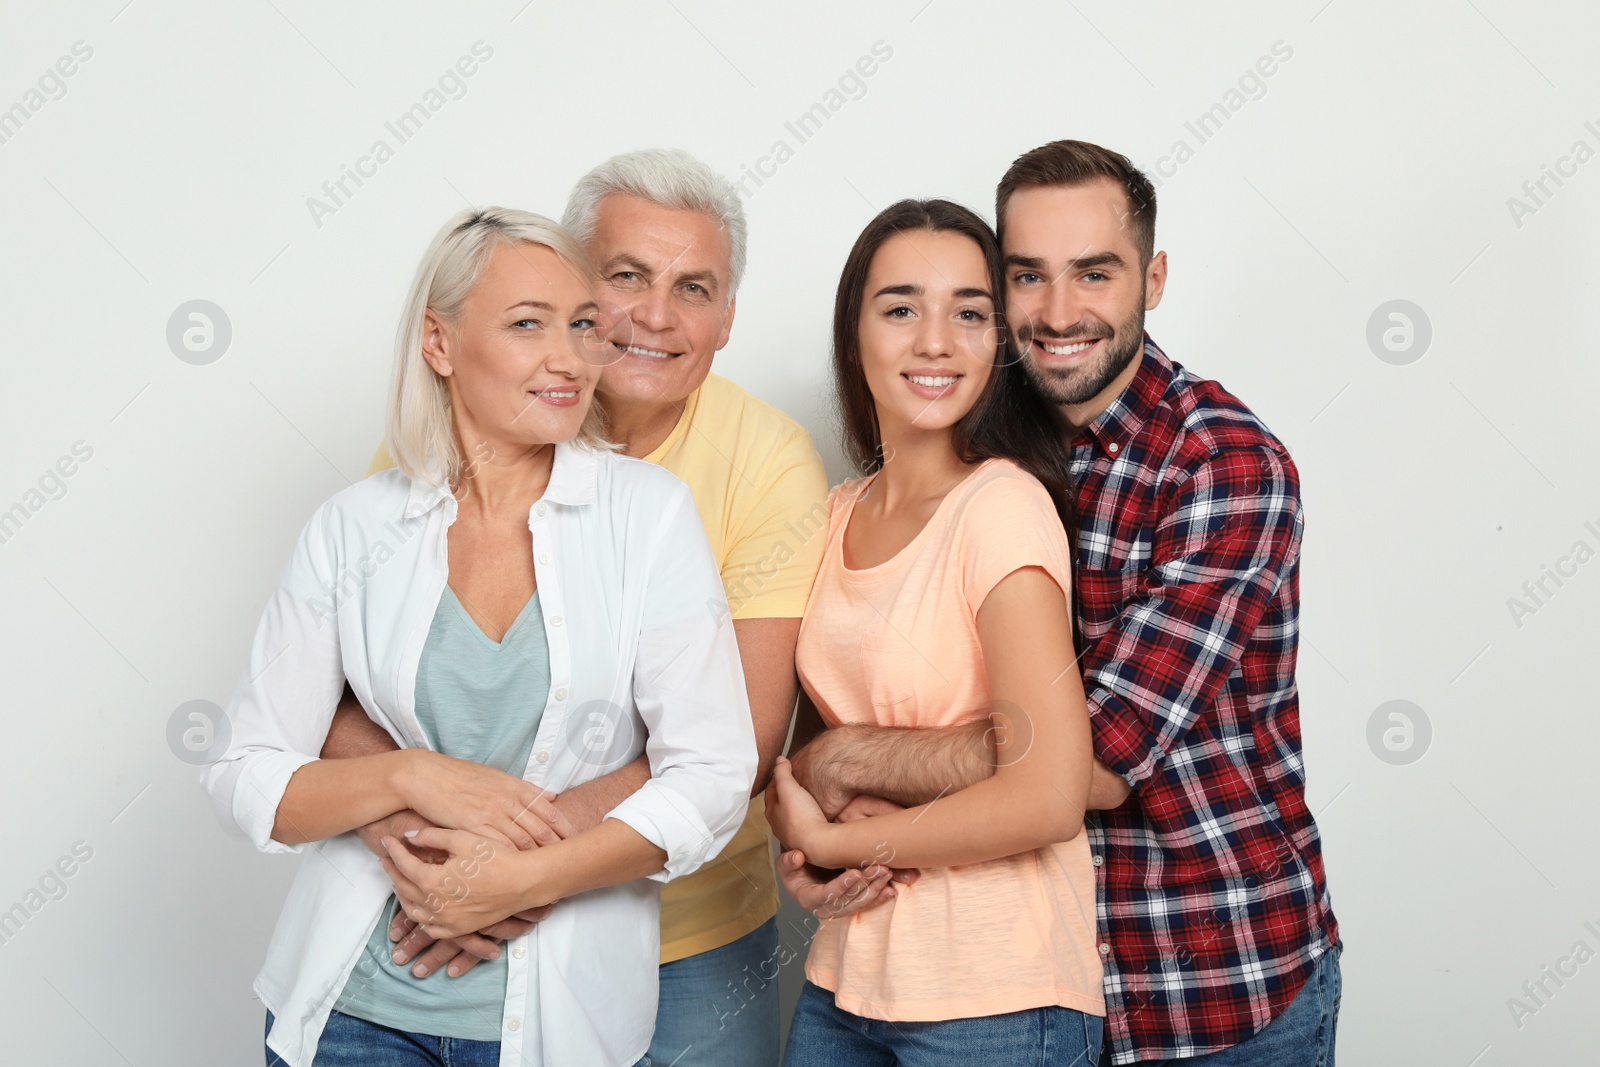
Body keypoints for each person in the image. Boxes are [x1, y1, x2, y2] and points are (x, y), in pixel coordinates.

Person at [783, 141, 1342, 1066]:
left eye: (1095, 273)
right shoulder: (978, 442)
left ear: (1153, 278)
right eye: (1026, 278)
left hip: (1209, 975)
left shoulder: (1223, 466)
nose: (1058, 312)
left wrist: (846, 760)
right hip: (1020, 971)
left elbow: (1086, 764)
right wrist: (810, 824)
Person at [200, 206, 757, 1066]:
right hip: (350, 1015)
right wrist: (415, 776)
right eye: (528, 325)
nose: (570, 359)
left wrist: (522, 881)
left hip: (561, 1024)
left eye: (581, 326)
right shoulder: (353, 528)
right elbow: (245, 770)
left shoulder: (647, 516)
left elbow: (714, 771)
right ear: (439, 343)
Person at [320, 149, 832, 1066]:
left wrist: (514, 876)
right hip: (434, 920)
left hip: (690, 938)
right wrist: (441, 871)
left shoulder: (767, 458)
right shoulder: (445, 438)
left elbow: (744, 741)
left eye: (693, 288)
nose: (654, 315)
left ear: (725, 321)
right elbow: (340, 699)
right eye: (625, 275)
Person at [765, 198, 1107, 1065]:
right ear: (853, 334)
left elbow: (1046, 793)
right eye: (901, 308)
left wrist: (837, 836)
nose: (936, 341)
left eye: (969, 313)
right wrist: (801, 846)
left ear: (998, 342)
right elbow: (796, 756)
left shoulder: (1000, 506)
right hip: (847, 978)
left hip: (998, 996)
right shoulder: (834, 513)